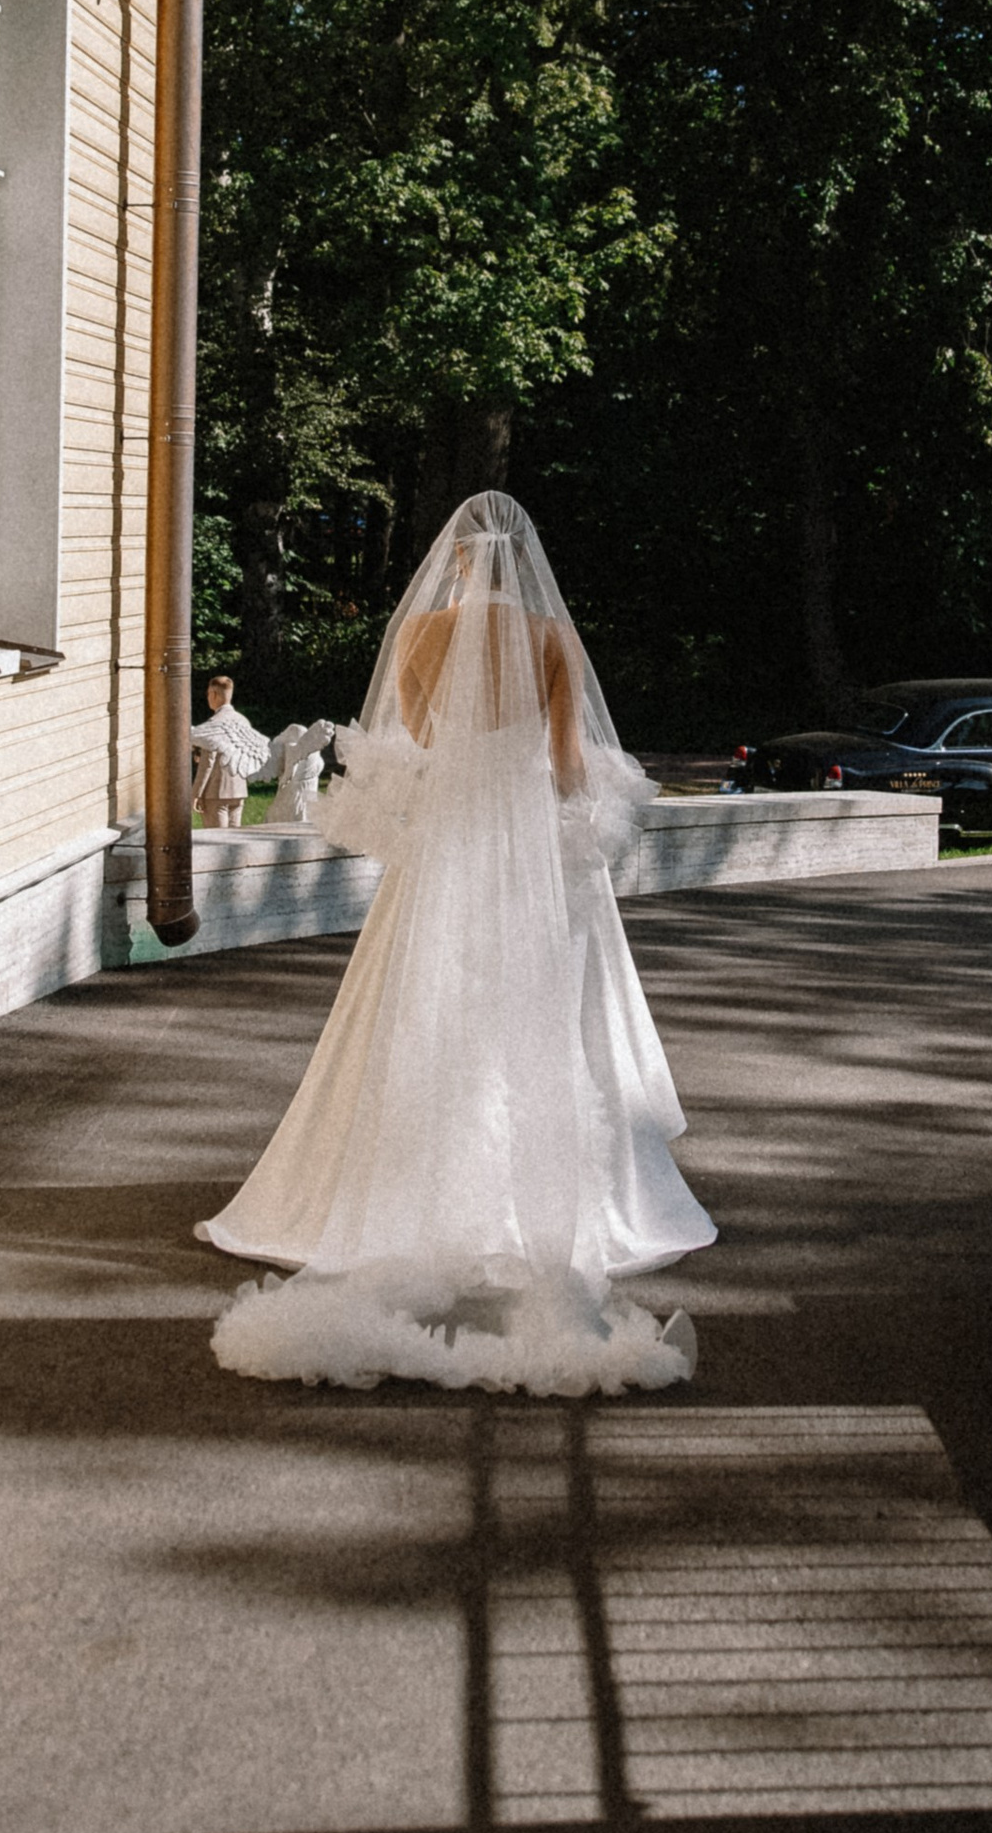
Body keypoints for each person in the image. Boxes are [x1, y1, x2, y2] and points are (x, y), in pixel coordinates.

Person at [198, 492, 712, 1396]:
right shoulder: (552, 640)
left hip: (448, 843)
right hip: (522, 843)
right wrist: (573, 815)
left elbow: (424, 741)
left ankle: (400, 1188)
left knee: (419, 993)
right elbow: (566, 763)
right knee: (534, 1005)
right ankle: (530, 1197)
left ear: (459, 560)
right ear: (523, 559)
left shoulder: (422, 635)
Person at [192, 672, 270, 828]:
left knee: (217, 838)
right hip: (238, 790)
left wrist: (196, 793)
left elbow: (208, 762)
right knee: (235, 837)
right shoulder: (243, 721)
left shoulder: (215, 724)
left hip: (216, 791)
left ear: (213, 694)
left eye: (208, 694)